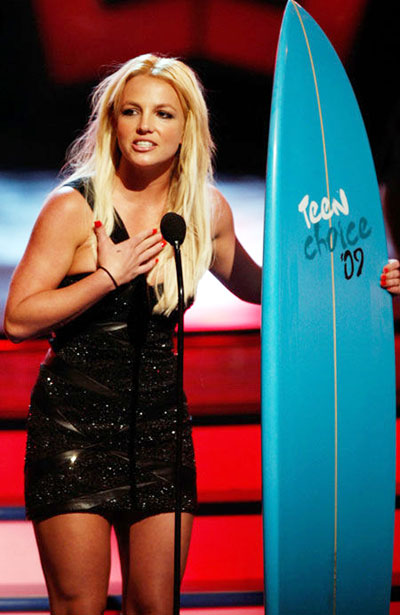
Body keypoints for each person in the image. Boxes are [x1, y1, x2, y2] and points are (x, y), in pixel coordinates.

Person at [3, 53, 262, 615]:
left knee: (157, 605)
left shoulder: (204, 211)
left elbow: (259, 286)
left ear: (187, 127)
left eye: (164, 114)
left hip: (161, 432)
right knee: (80, 606)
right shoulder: (73, 207)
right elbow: (18, 318)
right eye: (132, 111)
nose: (146, 125)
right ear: (113, 124)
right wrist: (106, 277)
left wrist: (361, 278)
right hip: (74, 431)